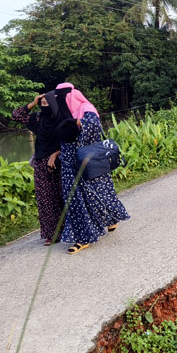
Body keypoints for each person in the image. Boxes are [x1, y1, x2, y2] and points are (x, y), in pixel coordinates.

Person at [53, 82, 130, 254]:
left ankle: (110, 219)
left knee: (99, 193)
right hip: (68, 163)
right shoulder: (61, 113)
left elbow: (92, 128)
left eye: (60, 97)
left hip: (88, 160)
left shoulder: (85, 108)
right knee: (74, 198)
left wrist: (77, 123)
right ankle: (83, 237)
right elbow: (61, 137)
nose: (58, 100)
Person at [12, 91, 64, 246]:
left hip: (61, 162)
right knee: (45, 200)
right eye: (42, 104)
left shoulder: (62, 118)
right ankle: (52, 234)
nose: (43, 106)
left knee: (63, 196)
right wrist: (33, 103)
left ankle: (70, 228)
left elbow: (72, 139)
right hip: (42, 164)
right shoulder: (38, 119)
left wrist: (56, 154)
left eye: (46, 103)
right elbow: (16, 115)